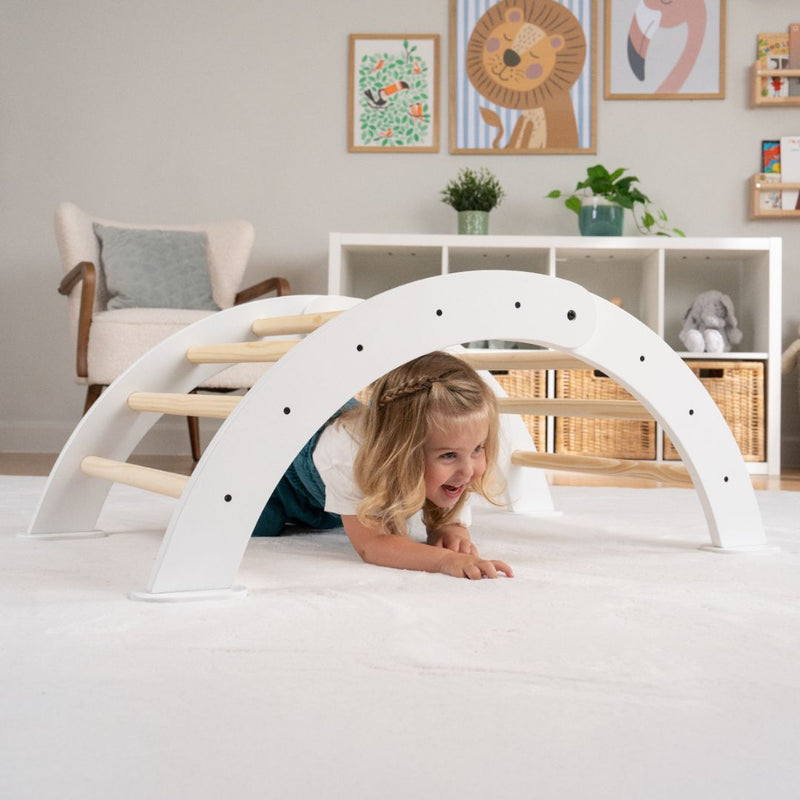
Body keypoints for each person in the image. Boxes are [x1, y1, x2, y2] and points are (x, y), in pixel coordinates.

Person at [253, 351, 513, 579]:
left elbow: (447, 502)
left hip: (345, 498)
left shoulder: (455, 459)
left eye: (477, 448)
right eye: (448, 456)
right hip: (280, 484)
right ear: (401, 451)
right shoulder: (347, 450)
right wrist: (445, 561)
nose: (468, 471)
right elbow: (372, 545)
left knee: (357, 514)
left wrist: (448, 527)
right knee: (259, 526)